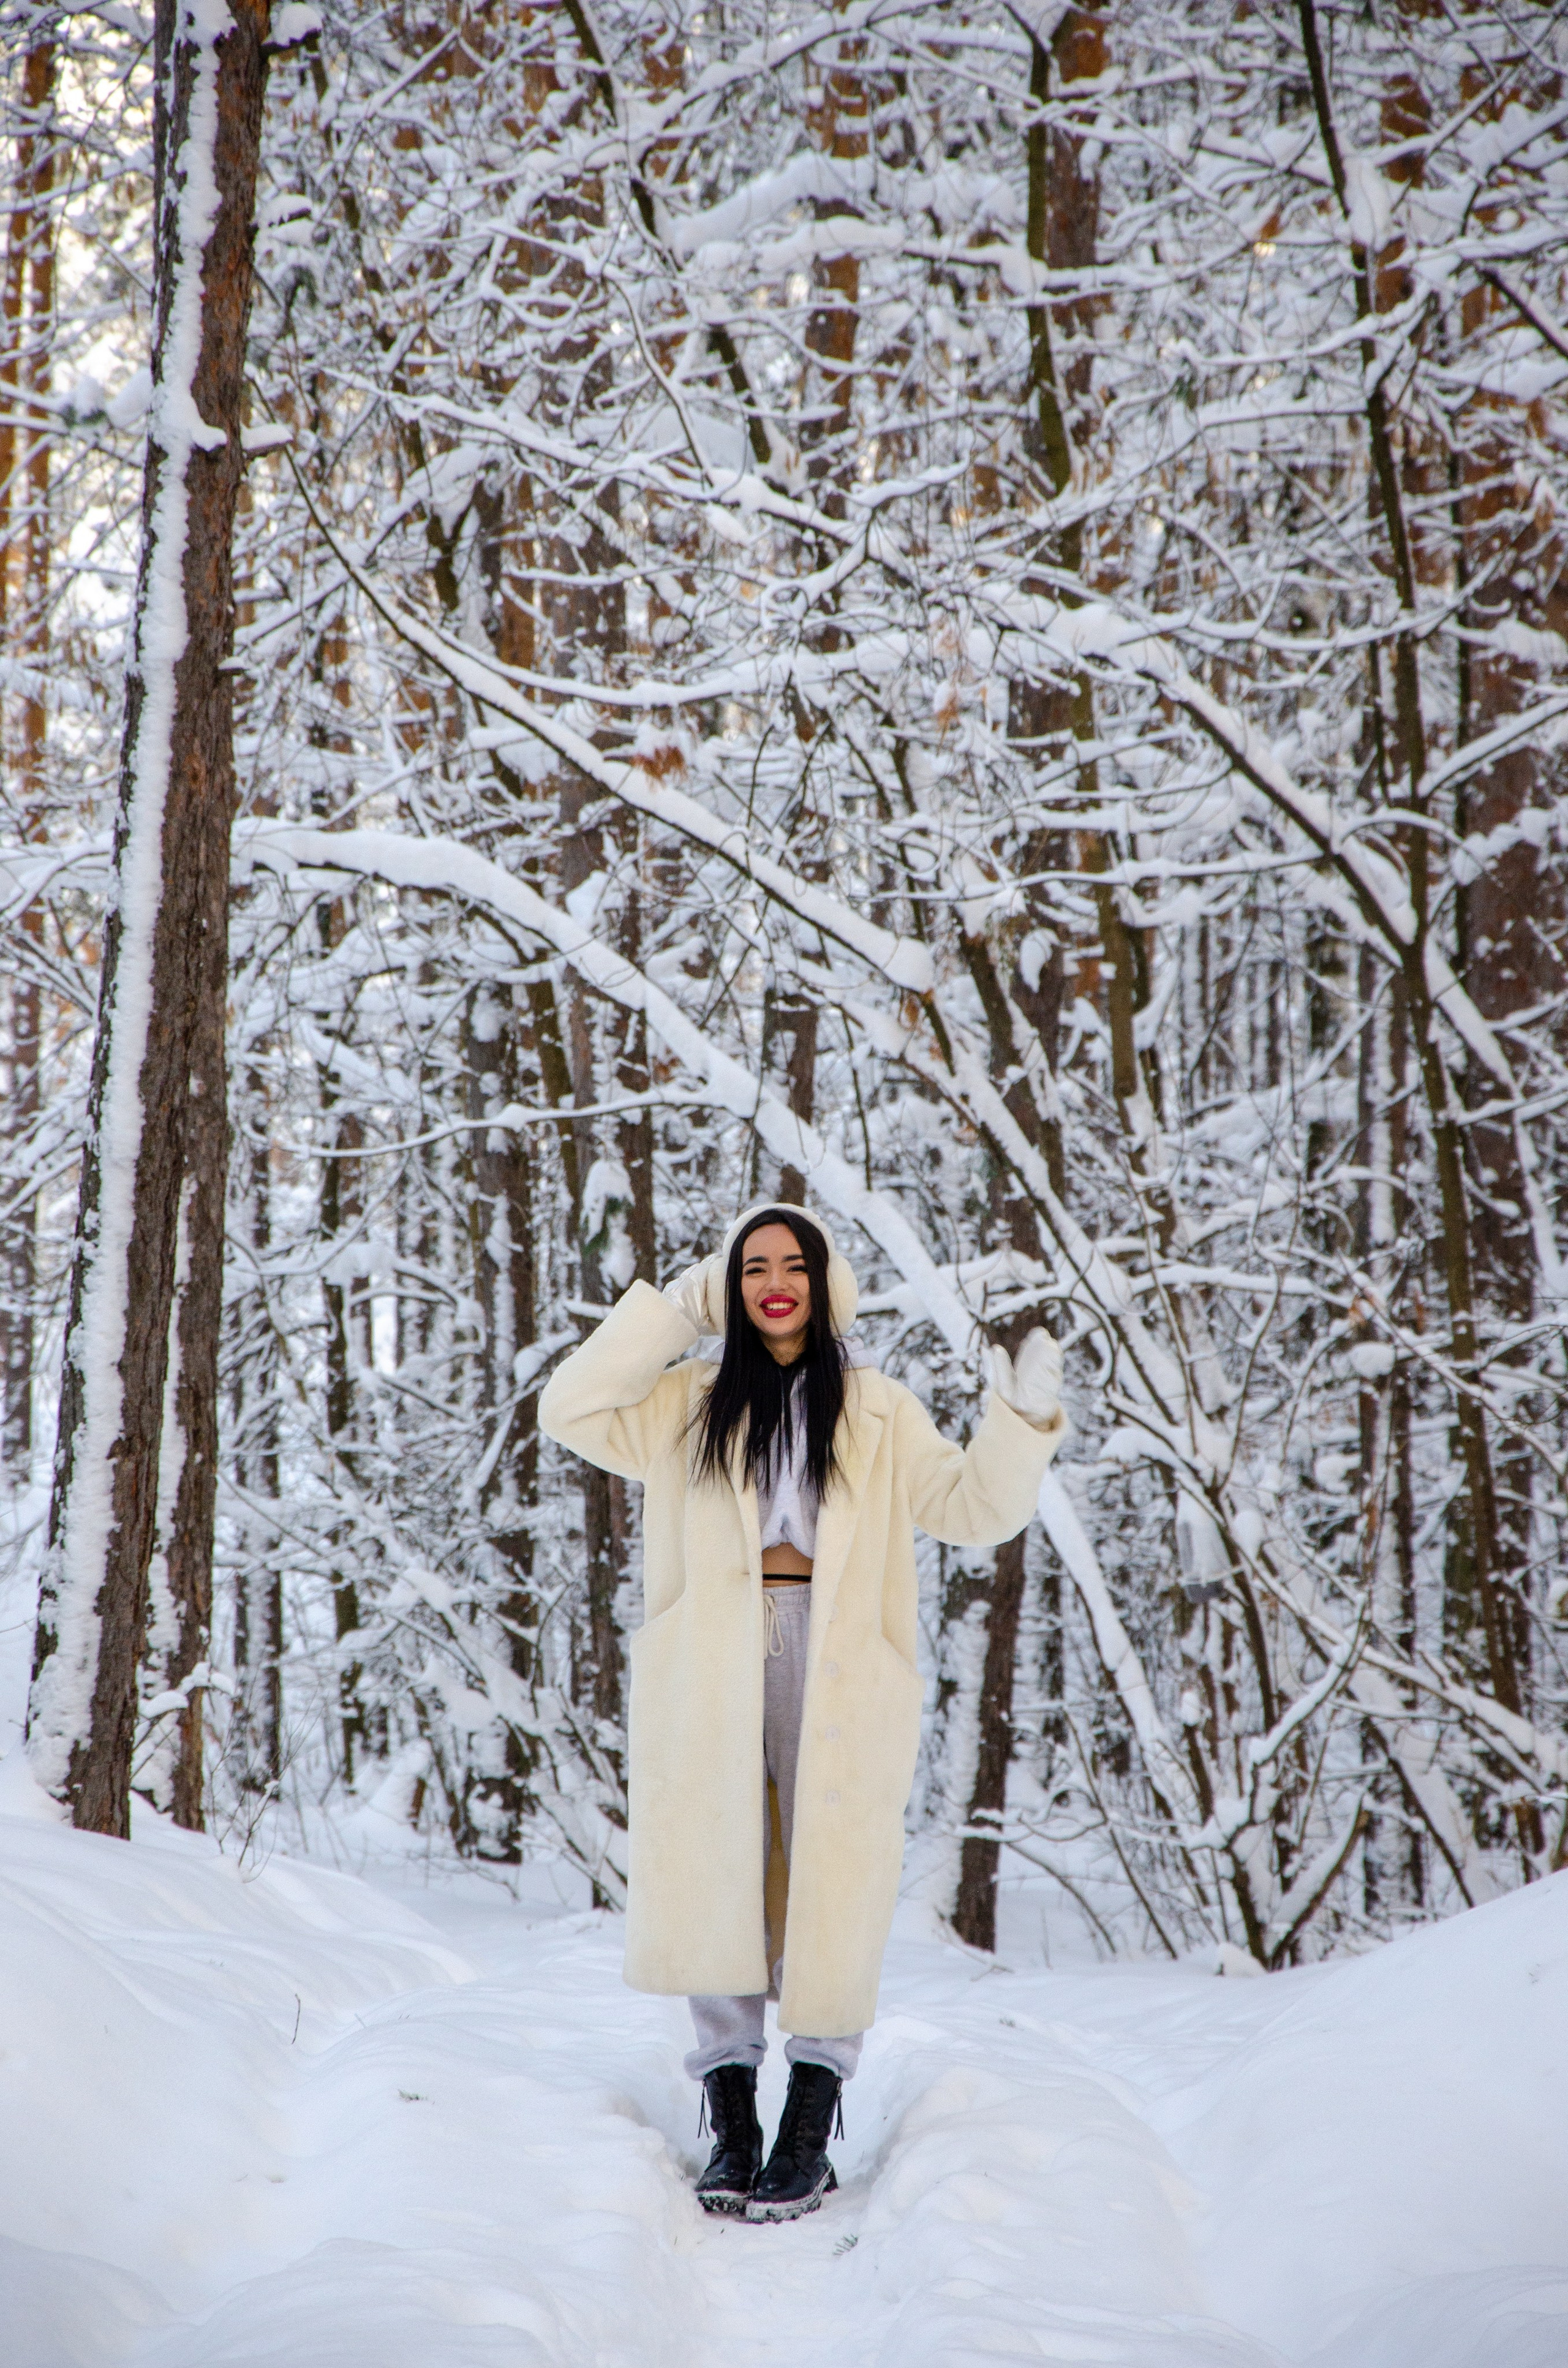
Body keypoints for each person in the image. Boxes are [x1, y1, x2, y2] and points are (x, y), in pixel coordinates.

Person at [538, 1203, 1067, 2222]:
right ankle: (734, 2123)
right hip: (714, 1657)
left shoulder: (878, 1409)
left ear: (827, 1282)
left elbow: (975, 1511)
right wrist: (679, 1307)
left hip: (840, 1664)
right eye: (752, 1268)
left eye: (794, 1265)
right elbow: (570, 1406)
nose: (774, 1283)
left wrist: (1019, 1425)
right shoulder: (686, 1401)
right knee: (717, 1867)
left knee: (835, 1877)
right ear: (729, 1286)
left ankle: (808, 2125)